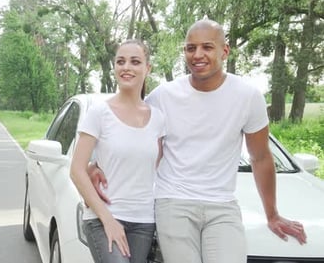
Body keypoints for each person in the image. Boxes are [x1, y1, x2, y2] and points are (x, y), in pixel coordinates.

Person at [89, 19, 307, 263]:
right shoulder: (164, 96)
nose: (198, 55)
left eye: (207, 47)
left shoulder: (248, 96)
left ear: (225, 51)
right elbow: (128, 127)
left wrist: (272, 214)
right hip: (173, 202)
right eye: (191, 48)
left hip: (222, 205)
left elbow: (260, 156)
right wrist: (96, 163)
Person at [70, 39, 166, 263]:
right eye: (120, 62)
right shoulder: (99, 112)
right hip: (104, 217)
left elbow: (156, 168)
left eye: (135, 62)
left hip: (143, 221)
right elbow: (76, 169)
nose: (126, 67)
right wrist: (108, 220)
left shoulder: (158, 119)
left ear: (147, 68)